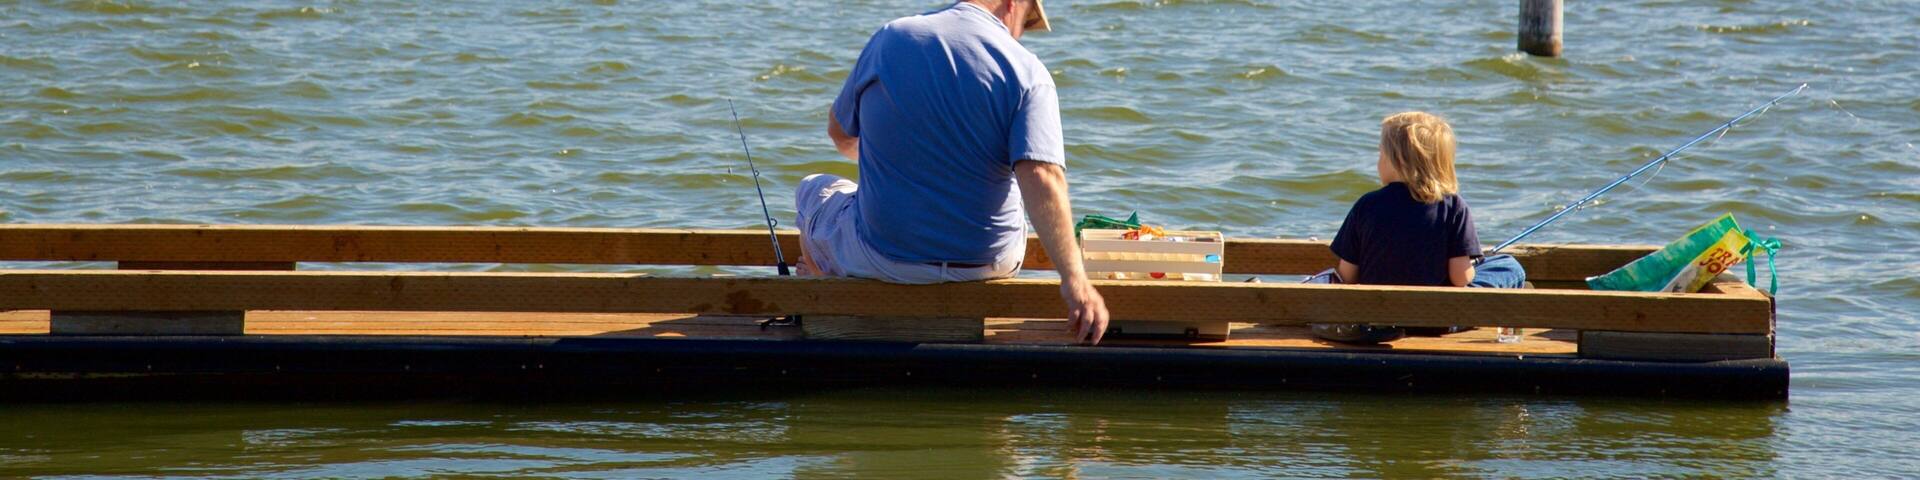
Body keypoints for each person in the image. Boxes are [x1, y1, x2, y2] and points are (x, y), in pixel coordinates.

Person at [794, 0, 1111, 344]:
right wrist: (1075, 280)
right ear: (1013, 4)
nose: (1018, 35)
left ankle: (825, 283)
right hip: (989, 264)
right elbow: (1043, 178)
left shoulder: (890, 39)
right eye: (1025, 22)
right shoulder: (1028, 71)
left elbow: (840, 134)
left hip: (884, 259)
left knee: (813, 189)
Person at [1307, 111, 1526, 344]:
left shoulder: (1366, 205)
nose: (1377, 161)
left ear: (1397, 161)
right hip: (1436, 320)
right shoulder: (1453, 206)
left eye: (1380, 154)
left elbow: (1348, 276)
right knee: (1508, 266)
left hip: (1377, 316)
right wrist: (1472, 265)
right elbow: (1461, 279)